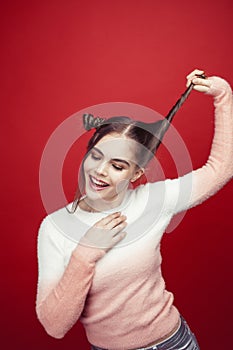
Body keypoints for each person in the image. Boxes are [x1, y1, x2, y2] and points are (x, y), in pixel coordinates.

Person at [36, 69, 233, 350]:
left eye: (117, 166)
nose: (100, 172)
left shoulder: (153, 199)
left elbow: (222, 168)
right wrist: (85, 254)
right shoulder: (54, 228)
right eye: (96, 156)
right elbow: (54, 326)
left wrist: (222, 95)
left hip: (173, 343)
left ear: (137, 173)